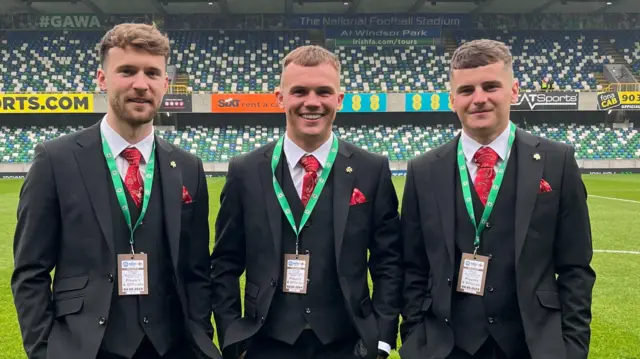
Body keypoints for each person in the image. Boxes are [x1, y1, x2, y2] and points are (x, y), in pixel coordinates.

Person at [11, 23, 221, 359]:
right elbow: (30, 271)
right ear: (102, 78)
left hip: (171, 347)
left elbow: (196, 271)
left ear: (165, 84)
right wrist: (45, 350)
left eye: (152, 73)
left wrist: (199, 335)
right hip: (86, 348)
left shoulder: (187, 166)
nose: (141, 84)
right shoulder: (56, 159)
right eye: (127, 71)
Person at [398, 39, 595, 359]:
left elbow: (576, 266)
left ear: (514, 90)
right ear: (452, 100)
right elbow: (412, 265)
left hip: (533, 345)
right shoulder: (423, 170)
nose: (479, 99)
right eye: (466, 90)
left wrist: (571, 347)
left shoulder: (557, 161)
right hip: (446, 346)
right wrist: (415, 336)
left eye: (491, 86)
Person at [210, 45, 402, 359]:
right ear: (280, 97)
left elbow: (389, 262)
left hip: (348, 344)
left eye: (323, 92)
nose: (311, 102)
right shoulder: (245, 170)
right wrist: (233, 337)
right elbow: (224, 264)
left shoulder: (372, 169)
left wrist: (380, 339)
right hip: (264, 343)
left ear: (339, 99)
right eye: (299, 91)